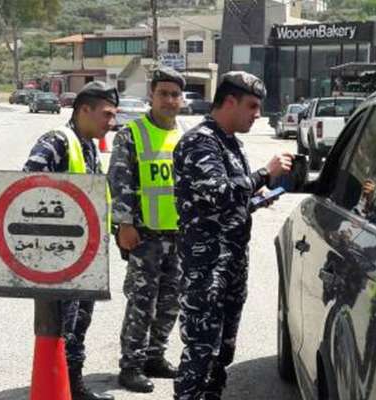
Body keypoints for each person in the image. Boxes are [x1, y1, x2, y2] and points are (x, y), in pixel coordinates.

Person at [172, 71, 293, 400]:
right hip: (206, 266)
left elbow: (232, 202)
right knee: (200, 350)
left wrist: (261, 197)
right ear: (228, 101)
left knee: (221, 351)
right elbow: (218, 193)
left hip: (231, 265)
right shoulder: (200, 142)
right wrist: (265, 174)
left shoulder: (230, 144)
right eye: (252, 106)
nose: (258, 114)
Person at [23, 81, 118, 400]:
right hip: (61, 257)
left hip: (86, 256)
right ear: (84, 110)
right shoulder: (57, 141)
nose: (111, 122)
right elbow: (29, 184)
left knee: (78, 324)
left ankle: (72, 382)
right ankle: (60, 386)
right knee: (62, 324)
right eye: (106, 114)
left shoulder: (89, 144)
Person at [108, 67, 185, 393]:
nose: (168, 100)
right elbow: (120, 181)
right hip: (144, 235)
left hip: (179, 236)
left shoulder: (186, 134)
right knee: (142, 302)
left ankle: (155, 356)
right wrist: (124, 224)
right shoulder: (132, 133)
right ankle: (131, 365)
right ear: (151, 96)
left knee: (171, 302)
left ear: (181, 99)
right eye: (162, 93)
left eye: (174, 94)